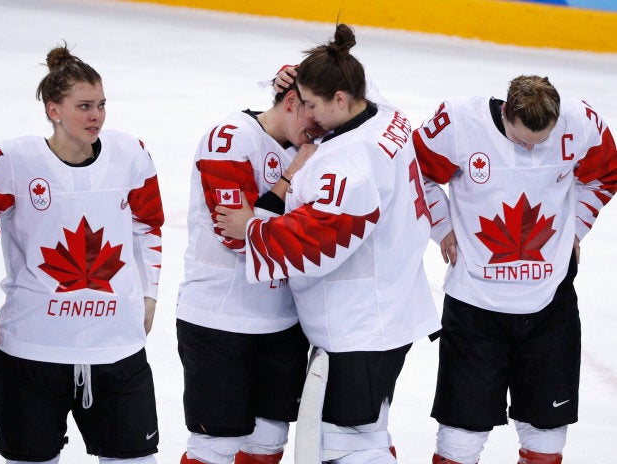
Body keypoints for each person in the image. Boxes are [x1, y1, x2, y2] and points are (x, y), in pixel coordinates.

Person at [216, 23, 441, 464]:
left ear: (339, 100)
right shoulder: (386, 115)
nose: (308, 117)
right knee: (365, 432)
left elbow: (318, 242)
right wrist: (298, 74)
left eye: (314, 105)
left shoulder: (344, 160)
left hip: (358, 324)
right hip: (389, 306)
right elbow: (352, 77)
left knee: (346, 445)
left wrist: (253, 229)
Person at [411, 75, 617, 463]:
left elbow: (606, 175)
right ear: (505, 111)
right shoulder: (458, 123)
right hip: (475, 309)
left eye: (540, 142)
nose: (529, 150)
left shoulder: (581, 123)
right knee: (460, 440)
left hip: (549, 308)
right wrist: (442, 228)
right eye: (521, 140)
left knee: (548, 438)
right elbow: (414, 171)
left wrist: (576, 228)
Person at [0, 44, 164, 463]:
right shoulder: (13, 161)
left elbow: (149, 226)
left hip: (116, 349)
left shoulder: (130, 154)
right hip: (32, 351)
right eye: (84, 106)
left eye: (101, 105)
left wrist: (150, 292)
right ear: (53, 110)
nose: (96, 116)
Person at [175, 74, 326, 464]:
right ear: (291, 101)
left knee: (268, 442)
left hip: (283, 322)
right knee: (216, 446)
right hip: (220, 321)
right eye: (313, 118)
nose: (319, 131)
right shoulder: (228, 139)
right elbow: (238, 236)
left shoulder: (312, 141)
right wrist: (290, 176)